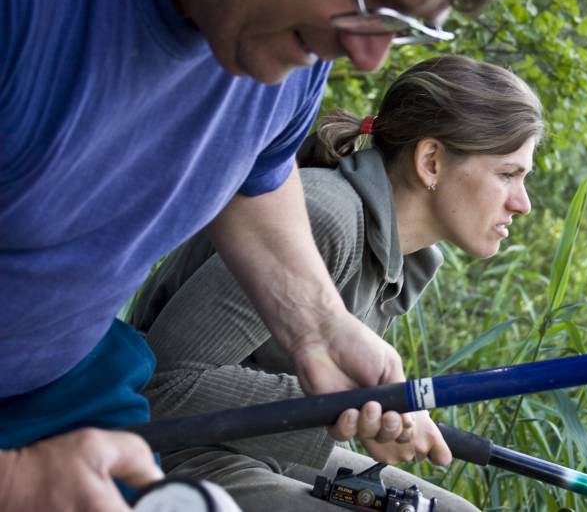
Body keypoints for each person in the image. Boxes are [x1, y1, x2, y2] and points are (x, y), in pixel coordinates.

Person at [0, 0, 515, 510]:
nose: (368, 56)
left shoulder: (283, 62)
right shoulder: (29, 7)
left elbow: (256, 176)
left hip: (73, 382)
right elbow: (175, 382)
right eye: (372, 1)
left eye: (404, 26)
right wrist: (17, 480)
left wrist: (319, 326)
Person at [129, 55, 545, 511]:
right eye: (508, 174)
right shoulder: (325, 216)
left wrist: (370, 409)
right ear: (431, 161)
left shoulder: (406, 258)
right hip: (167, 451)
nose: (522, 204)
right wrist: (351, 407)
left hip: (258, 450)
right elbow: (161, 387)